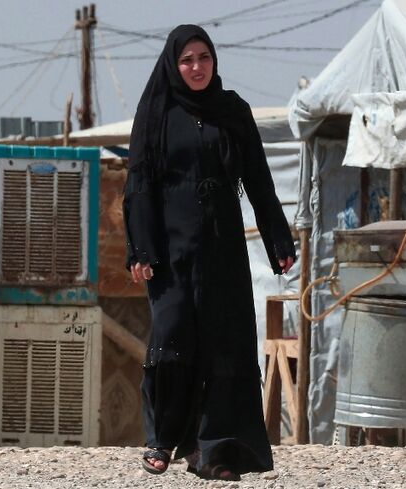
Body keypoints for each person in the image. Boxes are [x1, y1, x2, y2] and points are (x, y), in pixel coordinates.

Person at [122, 24, 296, 482]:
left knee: (224, 342)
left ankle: (213, 449)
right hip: (170, 248)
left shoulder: (233, 110)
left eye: (204, 57)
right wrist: (141, 246)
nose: (196, 67)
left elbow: (258, 177)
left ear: (214, 61)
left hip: (222, 246)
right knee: (173, 333)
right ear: (173, 65)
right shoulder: (156, 110)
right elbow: (138, 184)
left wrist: (279, 237)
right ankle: (161, 439)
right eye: (187, 60)